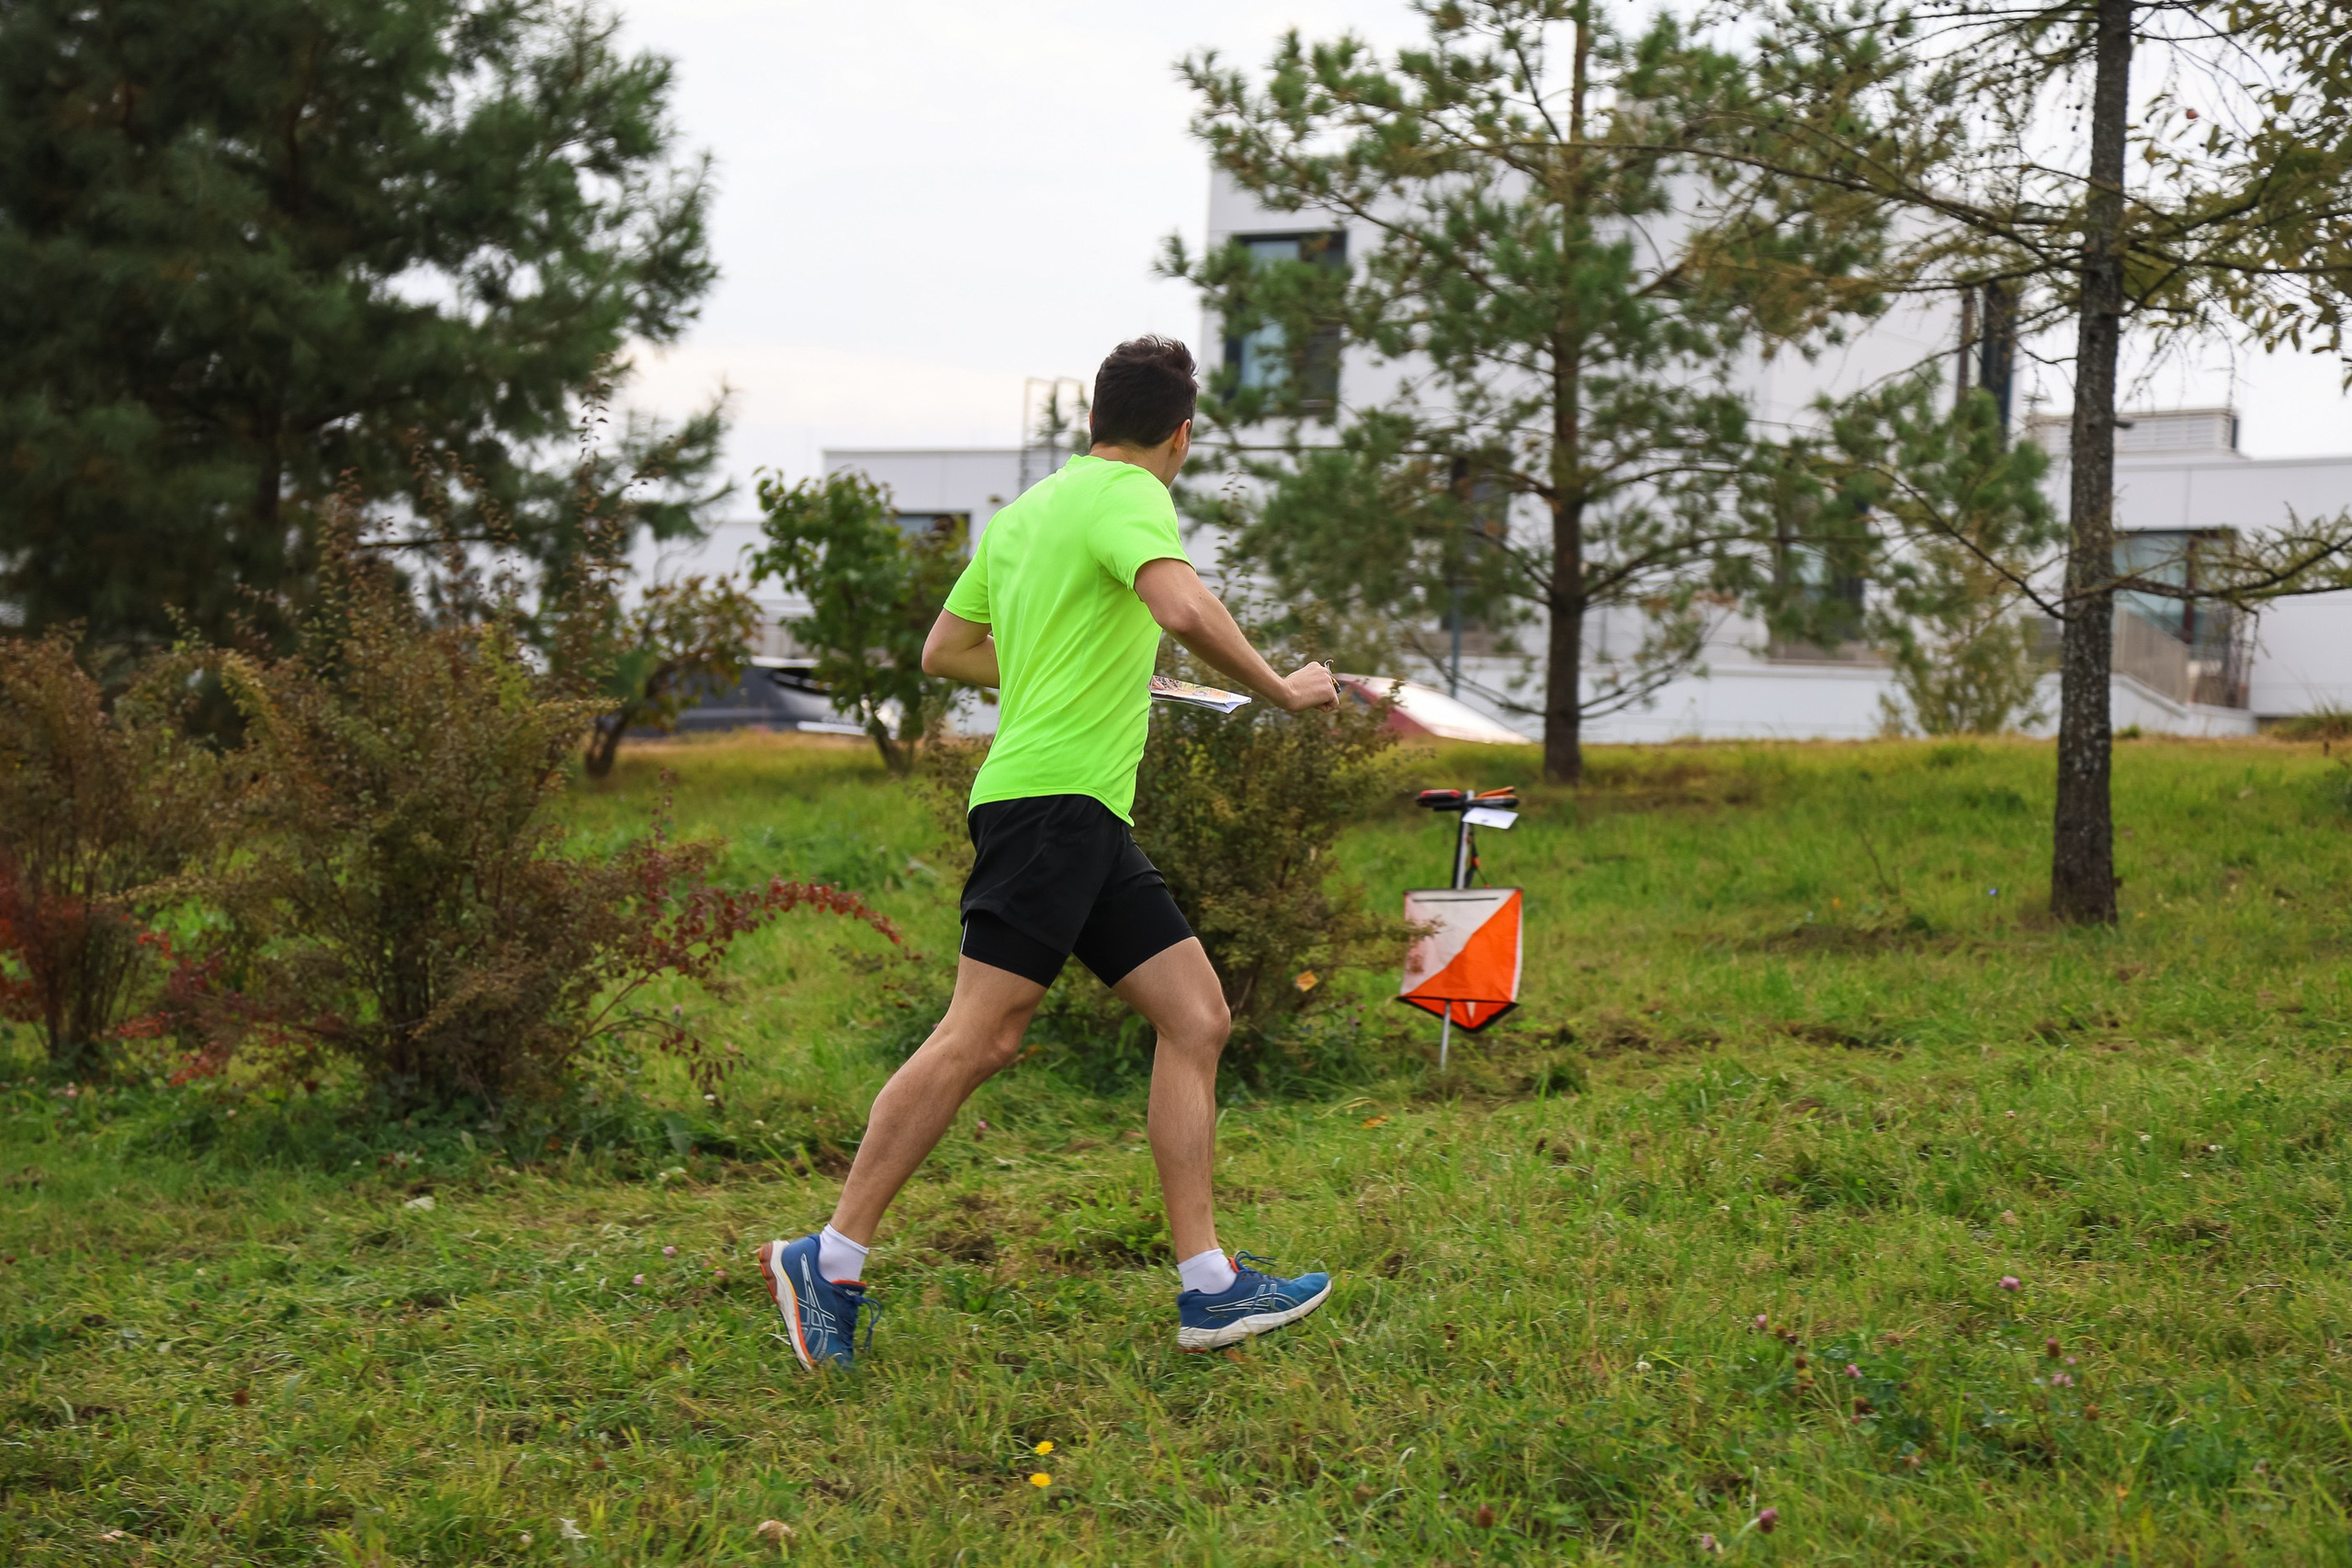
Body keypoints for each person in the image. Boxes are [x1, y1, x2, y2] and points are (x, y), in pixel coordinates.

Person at [756, 336, 1342, 1369]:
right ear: (1180, 436)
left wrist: (1070, 669)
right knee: (979, 1036)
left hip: (1076, 814)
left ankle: (1209, 1286)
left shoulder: (1027, 514)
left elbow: (944, 651)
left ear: (1092, 420)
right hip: (1052, 810)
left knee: (1196, 1015)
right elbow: (1181, 605)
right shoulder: (1132, 495)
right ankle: (828, 1258)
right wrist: (1282, 691)